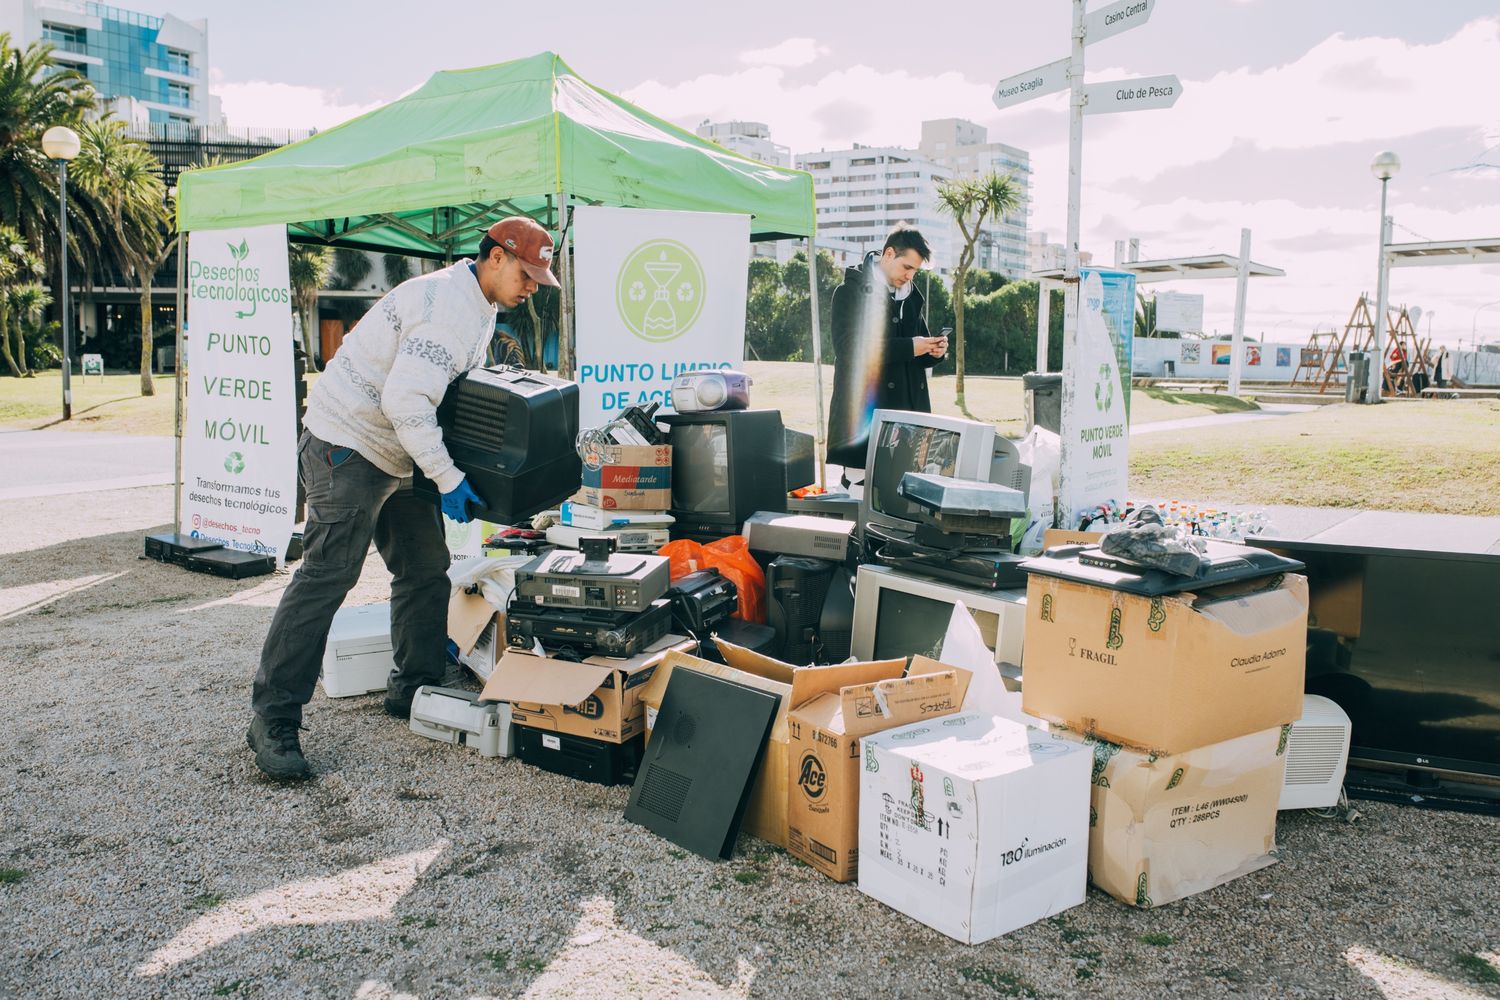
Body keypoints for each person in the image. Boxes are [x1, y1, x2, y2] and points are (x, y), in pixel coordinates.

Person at [246, 216, 559, 781]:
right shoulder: (447, 309)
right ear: (493, 257)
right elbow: (407, 404)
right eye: (526, 272)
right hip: (347, 443)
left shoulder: (478, 302)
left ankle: (413, 686)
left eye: (538, 278)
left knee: (424, 569)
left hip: (398, 450)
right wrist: (448, 479)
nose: (532, 286)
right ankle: (273, 716)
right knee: (328, 576)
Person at [825, 223, 947, 473]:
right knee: (859, 501)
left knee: (906, 504)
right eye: (907, 267)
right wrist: (911, 347)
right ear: (889, 254)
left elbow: (916, 350)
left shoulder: (910, 296)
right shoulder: (849, 292)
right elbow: (849, 349)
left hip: (910, 423)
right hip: (864, 422)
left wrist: (935, 352)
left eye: (916, 270)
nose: (911, 276)